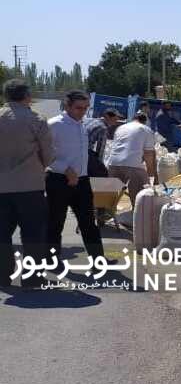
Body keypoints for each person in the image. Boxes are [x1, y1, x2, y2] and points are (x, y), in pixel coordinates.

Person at [0, 79, 53, 288]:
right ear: (27, 96)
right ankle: (32, 278)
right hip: (30, 186)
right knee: (33, 235)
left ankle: (2, 275)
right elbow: (48, 156)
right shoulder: (37, 119)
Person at [46, 90, 107, 265]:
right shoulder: (55, 124)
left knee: (89, 222)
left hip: (82, 181)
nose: (82, 112)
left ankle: (98, 261)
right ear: (67, 105)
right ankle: (51, 261)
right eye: (78, 108)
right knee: (55, 222)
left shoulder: (82, 124)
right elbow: (45, 153)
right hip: (58, 180)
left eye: (86, 108)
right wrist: (65, 169)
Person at [107, 112, 157, 208]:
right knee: (141, 196)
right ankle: (137, 216)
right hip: (132, 165)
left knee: (110, 196)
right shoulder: (146, 129)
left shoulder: (121, 128)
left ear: (133, 119)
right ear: (145, 121)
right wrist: (151, 174)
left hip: (112, 163)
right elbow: (148, 154)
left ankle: (105, 213)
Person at [85, 108, 121, 177]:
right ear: (107, 116)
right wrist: (100, 166)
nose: (115, 122)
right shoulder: (103, 128)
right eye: (115, 119)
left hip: (75, 148)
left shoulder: (89, 120)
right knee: (102, 173)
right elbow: (100, 150)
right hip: (85, 152)